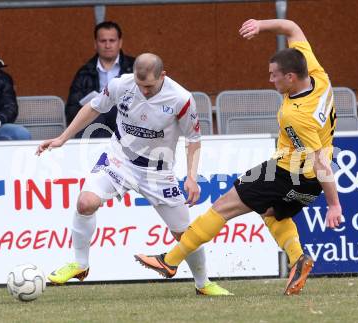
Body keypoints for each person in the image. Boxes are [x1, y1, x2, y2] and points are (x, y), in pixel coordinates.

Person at [135, 18, 343, 296]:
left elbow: (320, 162)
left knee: (222, 207)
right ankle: (298, 258)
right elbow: (292, 28)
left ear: (291, 77)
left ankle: (169, 261)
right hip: (307, 181)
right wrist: (261, 25)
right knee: (271, 213)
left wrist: (334, 205)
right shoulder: (317, 74)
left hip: (288, 172)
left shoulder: (296, 115)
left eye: (274, 75)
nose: (270, 79)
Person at [36, 53, 232, 296]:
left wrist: (192, 176)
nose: (145, 91)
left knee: (183, 233)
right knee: (85, 203)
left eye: (149, 86)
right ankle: (80, 264)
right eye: (141, 86)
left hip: (158, 171)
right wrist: (63, 138)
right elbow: (93, 107)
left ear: (163, 75)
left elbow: (193, 139)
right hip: (119, 158)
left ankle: (203, 284)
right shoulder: (121, 84)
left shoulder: (181, 99)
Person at [65, 21, 135, 138]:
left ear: (120, 43)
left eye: (112, 41)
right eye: (103, 41)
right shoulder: (84, 72)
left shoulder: (135, 68)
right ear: (95, 44)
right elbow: (71, 110)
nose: (107, 45)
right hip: (94, 123)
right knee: (97, 114)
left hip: (126, 121)